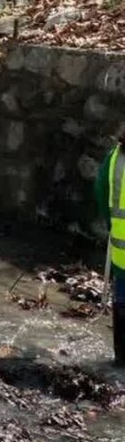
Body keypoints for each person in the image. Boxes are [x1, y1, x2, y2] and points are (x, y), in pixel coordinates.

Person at [94, 131, 125, 366]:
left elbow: (101, 192)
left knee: (122, 300)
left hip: (120, 251)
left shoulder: (114, 159)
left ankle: (120, 358)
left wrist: (111, 223)